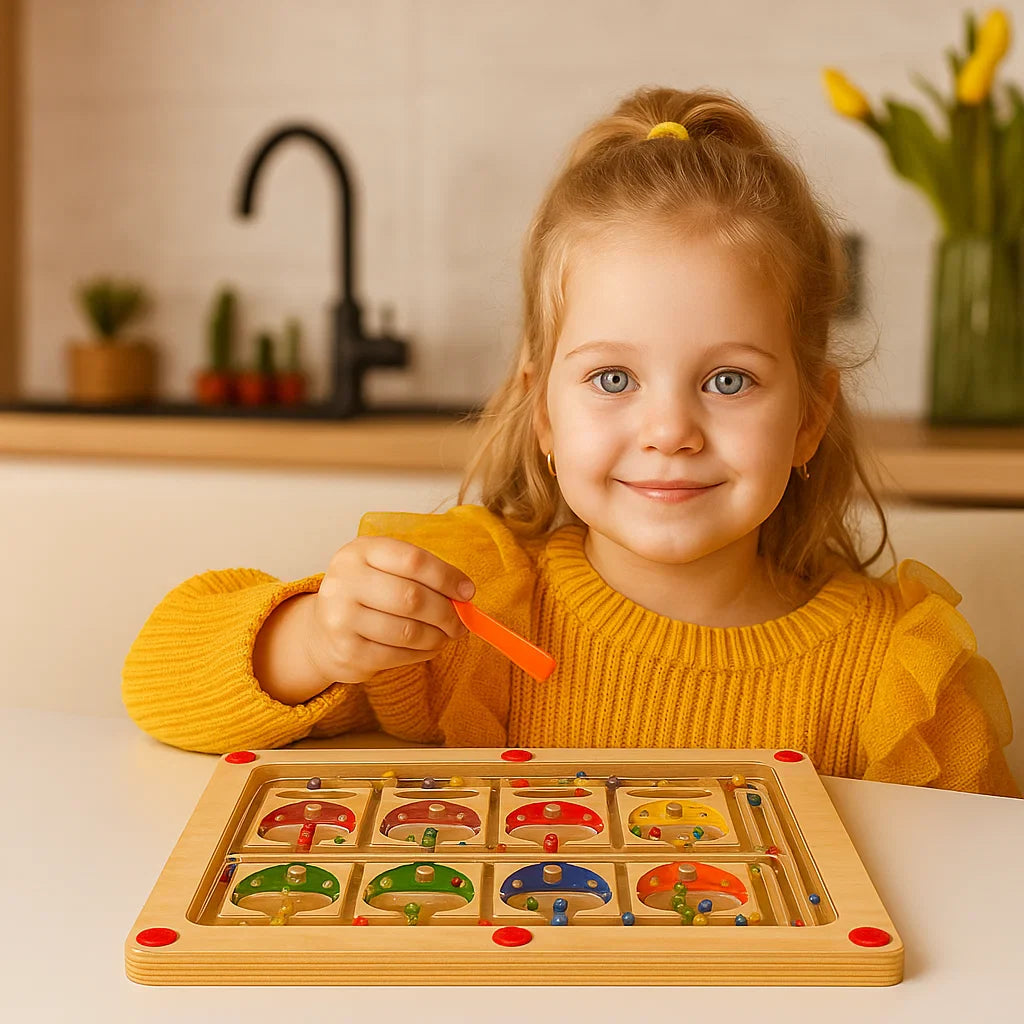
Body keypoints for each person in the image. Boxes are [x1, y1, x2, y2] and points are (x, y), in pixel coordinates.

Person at [122, 86, 1018, 797]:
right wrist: (316, 638)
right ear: (542, 412)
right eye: (613, 379)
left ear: (810, 419)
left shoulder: (896, 677)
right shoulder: (474, 616)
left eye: (729, 380)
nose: (669, 431)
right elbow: (157, 678)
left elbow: (987, 911)